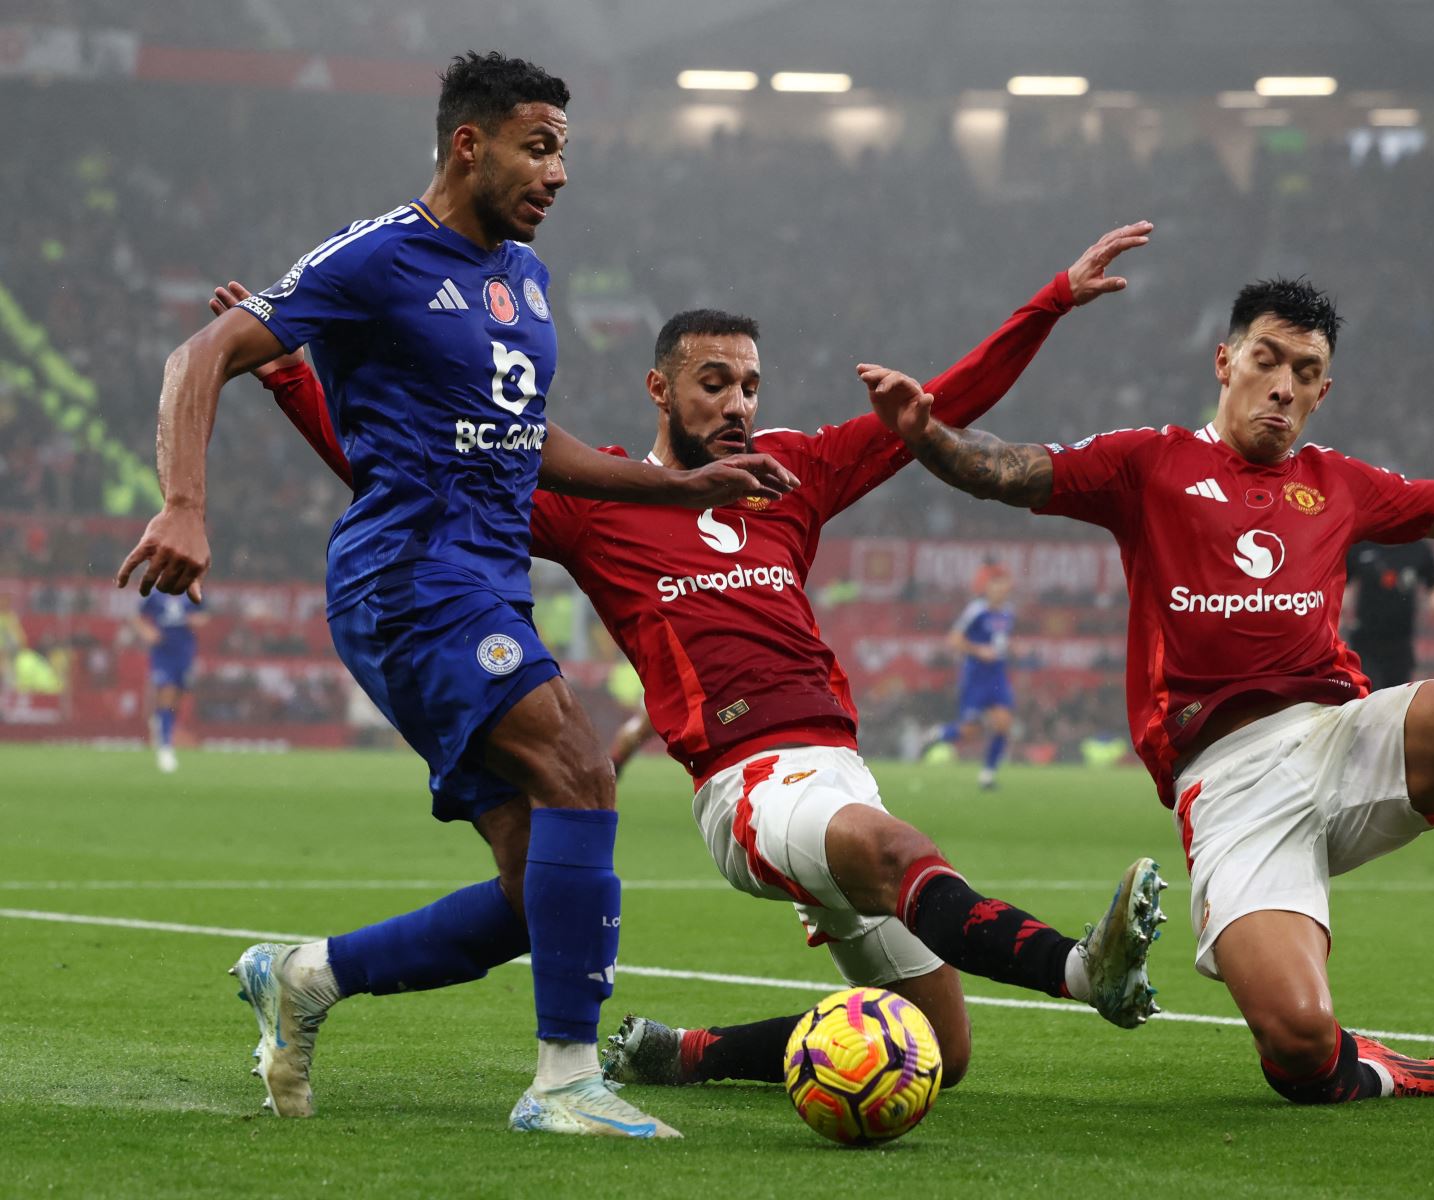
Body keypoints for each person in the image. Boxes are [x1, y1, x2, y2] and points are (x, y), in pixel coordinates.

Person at [218, 223, 1168, 1097]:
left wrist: (1049, 301)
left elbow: (937, 412)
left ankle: (688, 1053)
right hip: (747, 785)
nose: (738, 403)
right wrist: (292, 381)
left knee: (936, 1051)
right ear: (660, 389)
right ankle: (1090, 970)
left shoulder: (791, 473)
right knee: (897, 852)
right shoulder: (603, 503)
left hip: (839, 772)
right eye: (714, 382)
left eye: (751, 384)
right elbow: (416, 470)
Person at [861, 276, 1434, 1104]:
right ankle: (1375, 1068)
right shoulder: (1148, 463)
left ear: (1323, 389)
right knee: (1298, 1047)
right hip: (1226, 785)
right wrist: (927, 435)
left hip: (1338, 734)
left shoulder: (1334, 483)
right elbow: (1007, 469)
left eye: (1305, 371)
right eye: (1267, 361)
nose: (1284, 386)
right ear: (1224, 362)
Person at [117, 52, 794, 1140]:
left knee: (539, 891)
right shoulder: (379, 258)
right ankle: (566, 1081)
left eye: (565, 150)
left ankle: (304, 978)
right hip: (409, 577)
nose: (559, 173)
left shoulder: (522, 279)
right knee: (581, 767)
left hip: (484, 584)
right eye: (538, 146)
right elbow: (200, 355)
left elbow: (535, 446)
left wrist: (682, 486)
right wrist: (185, 502)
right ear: (467, 145)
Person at [930, 564, 1018, 788]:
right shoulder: (976, 610)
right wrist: (979, 650)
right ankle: (938, 734)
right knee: (969, 730)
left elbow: (1000, 641)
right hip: (975, 676)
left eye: (1004, 584)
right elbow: (954, 639)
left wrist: (1014, 650)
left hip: (997, 675)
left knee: (1003, 723)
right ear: (988, 587)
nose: (1001, 589)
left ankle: (987, 775)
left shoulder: (1008, 612)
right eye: (997, 584)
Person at [1344, 540, 1434, 690]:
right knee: (1370, 692)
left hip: (1401, 644)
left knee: (1396, 696)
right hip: (1366, 643)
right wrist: (1338, 614)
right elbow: (1342, 584)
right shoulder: (1361, 547)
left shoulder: (1419, 549)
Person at [131, 591, 207, 772]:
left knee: (176, 700)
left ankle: (161, 723)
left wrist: (195, 620)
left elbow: (204, 615)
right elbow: (136, 616)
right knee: (167, 693)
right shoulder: (155, 595)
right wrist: (147, 632)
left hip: (184, 653)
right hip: (163, 654)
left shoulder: (192, 592)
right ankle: (165, 748)